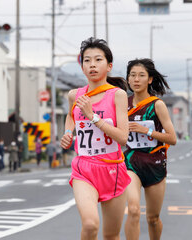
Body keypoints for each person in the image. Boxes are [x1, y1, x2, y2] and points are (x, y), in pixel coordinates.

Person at [61, 37, 131, 240]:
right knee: (91, 225)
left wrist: (93, 117)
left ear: (109, 66)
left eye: (98, 60)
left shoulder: (117, 95)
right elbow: (70, 116)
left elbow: (123, 138)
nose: (92, 64)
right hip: (84, 169)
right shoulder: (75, 95)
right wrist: (68, 133)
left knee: (111, 235)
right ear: (82, 66)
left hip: (113, 169)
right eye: (87, 60)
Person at [123, 58, 177, 240]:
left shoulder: (157, 105)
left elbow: (172, 138)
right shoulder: (122, 104)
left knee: (153, 218)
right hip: (131, 162)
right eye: (132, 75)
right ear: (128, 79)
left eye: (141, 75)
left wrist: (147, 130)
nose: (136, 79)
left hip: (154, 164)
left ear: (150, 79)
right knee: (133, 209)